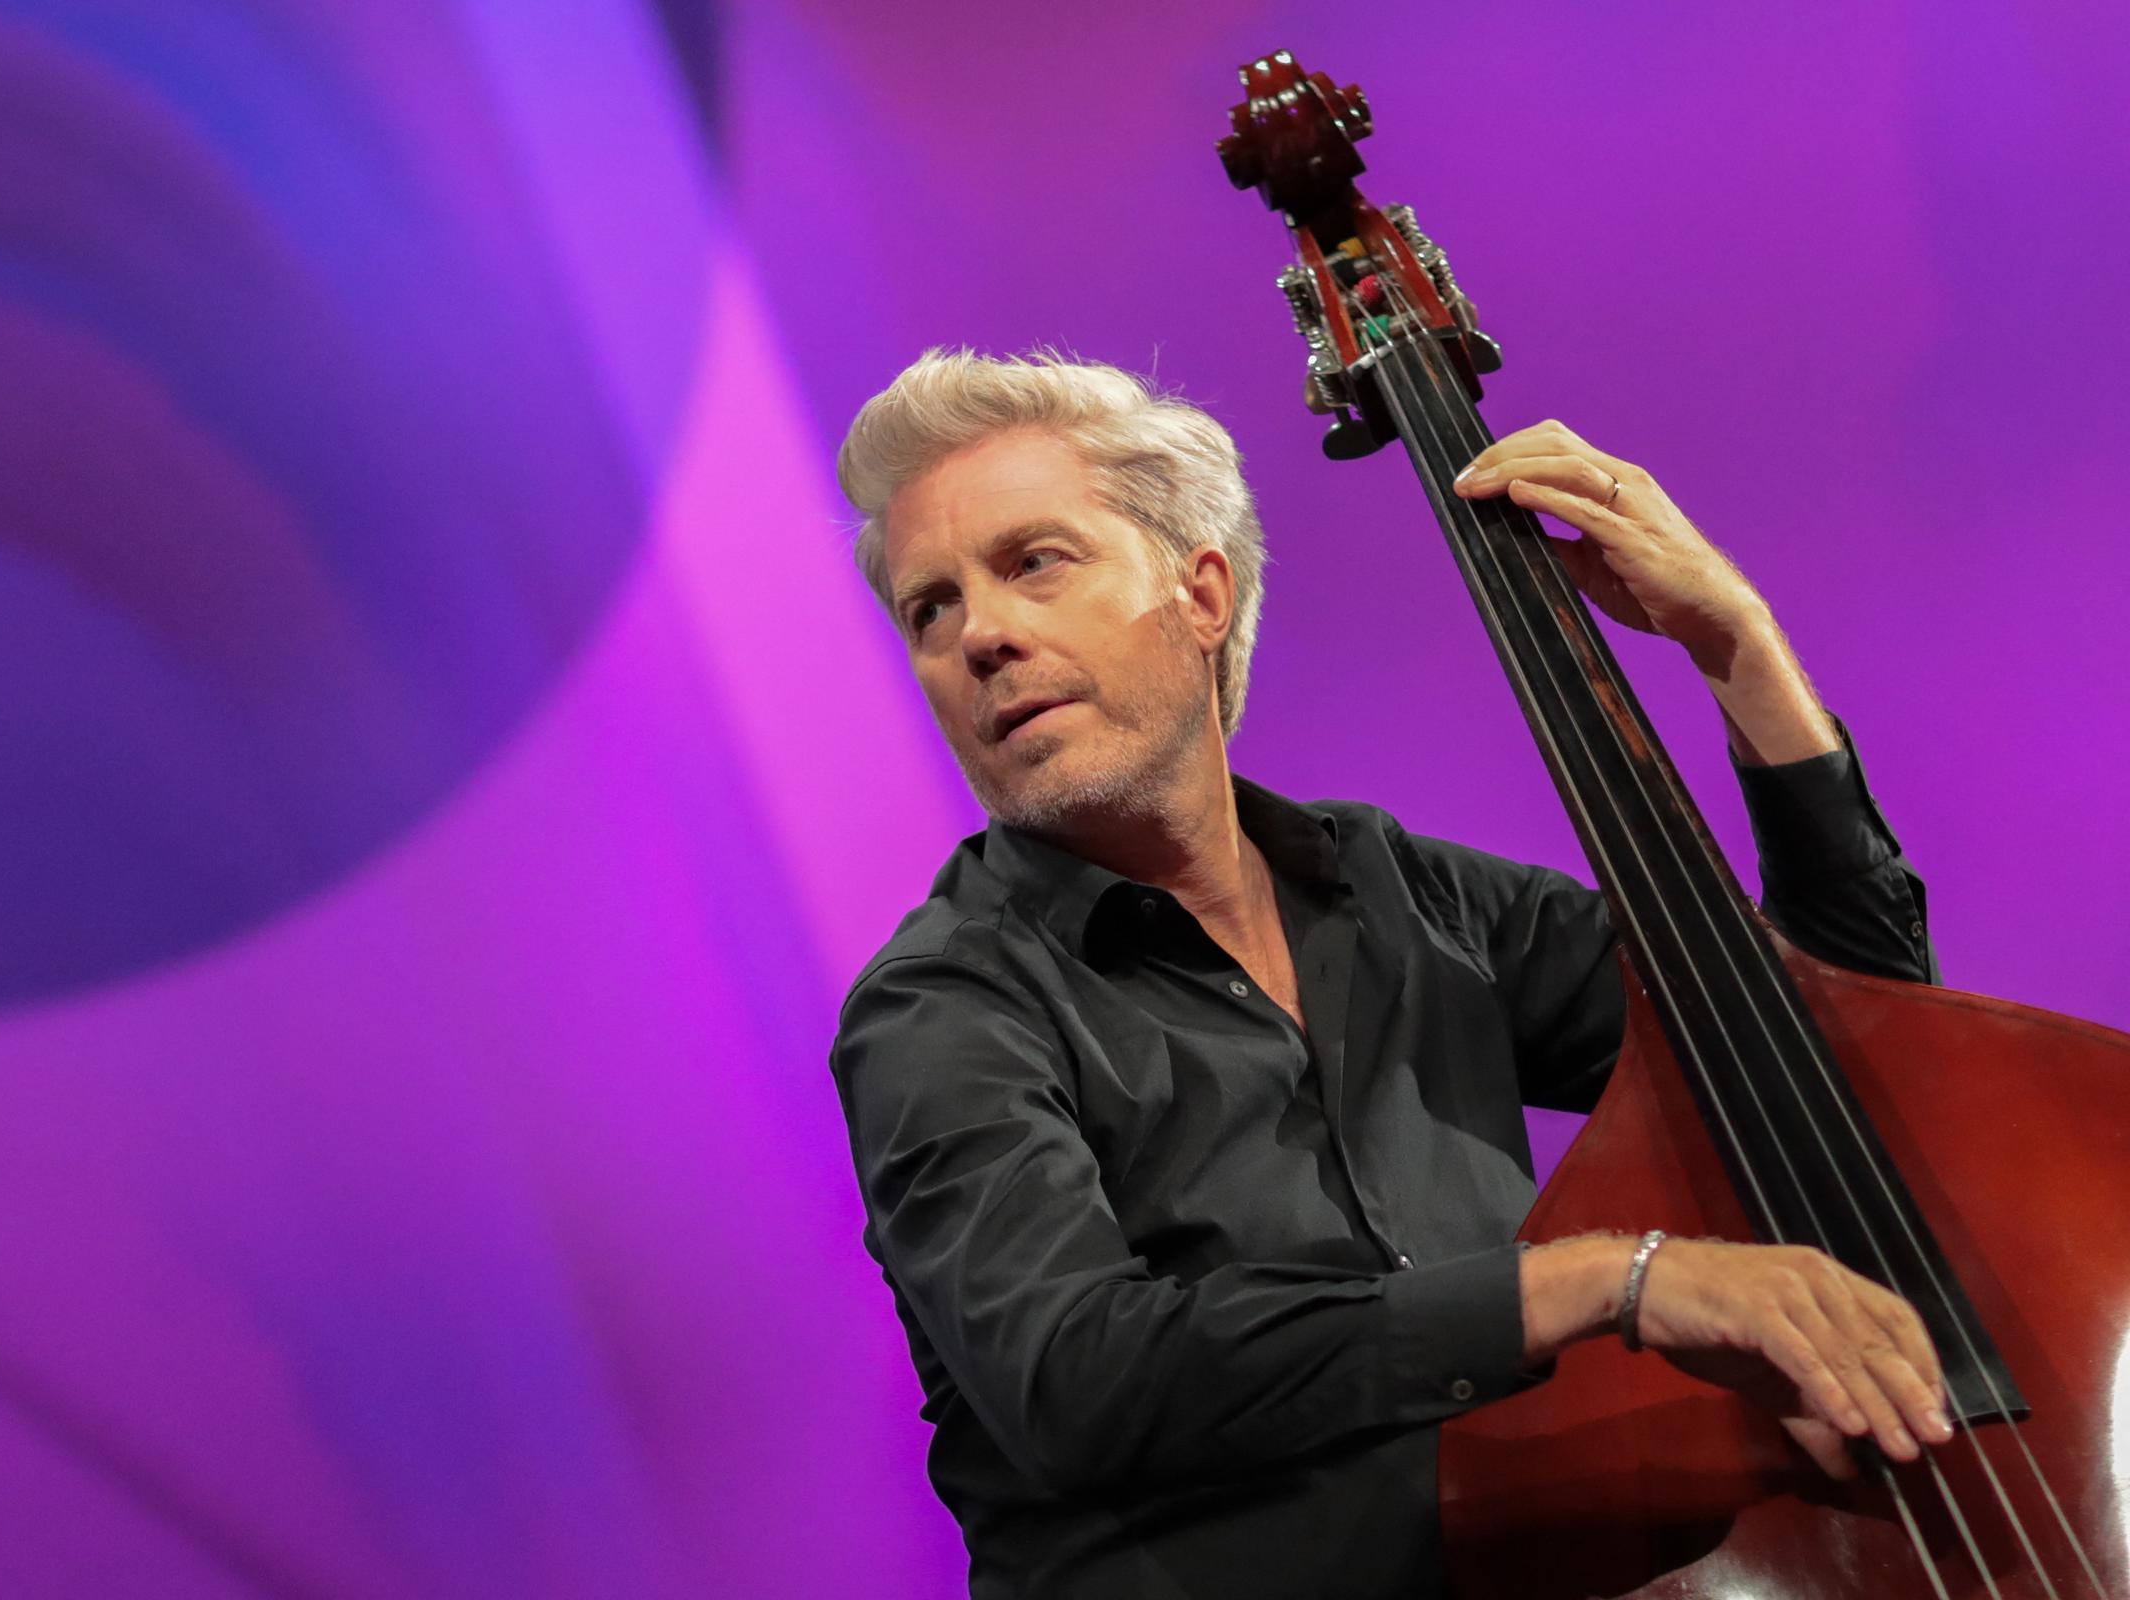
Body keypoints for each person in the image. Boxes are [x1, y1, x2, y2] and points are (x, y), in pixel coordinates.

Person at [826, 349, 1950, 1600]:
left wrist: (1738, 651)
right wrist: (1606, 1281)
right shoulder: (942, 1006)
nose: (979, 634)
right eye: (930, 608)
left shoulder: (1395, 889)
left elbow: (1846, 1052)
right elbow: (1081, 1379)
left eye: (1034, 561)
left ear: (1201, 593)